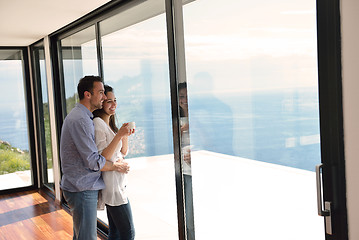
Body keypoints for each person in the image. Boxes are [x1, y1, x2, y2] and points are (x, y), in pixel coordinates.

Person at [60, 76, 130, 240]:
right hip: (82, 187)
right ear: (88, 94)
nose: (104, 97)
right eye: (101, 93)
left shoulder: (83, 117)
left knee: (81, 236)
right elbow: (93, 161)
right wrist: (116, 166)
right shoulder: (82, 121)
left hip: (78, 185)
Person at [93, 85, 135, 240]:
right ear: (102, 103)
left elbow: (123, 152)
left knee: (116, 232)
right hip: (113, 187)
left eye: (115, 100)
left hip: (117, 185)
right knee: (128, 233)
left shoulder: (108, 124)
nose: (114, 104)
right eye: (109, 101)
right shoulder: (98, 123)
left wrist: (124, 135)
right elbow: (102, 157)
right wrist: (118, 136)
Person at [178, 82, 195, 240]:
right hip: (181, 170)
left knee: (193, 216)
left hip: (194, 171)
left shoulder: (199, 117)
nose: (185, 100)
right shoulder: (177, 119)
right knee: (185, 215)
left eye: (187, 96)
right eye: (182, 96)